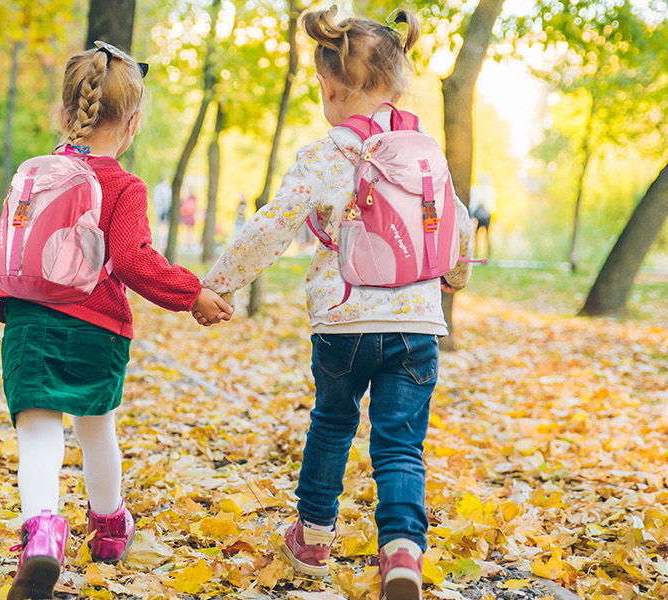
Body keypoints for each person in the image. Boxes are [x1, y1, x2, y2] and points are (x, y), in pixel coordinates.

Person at [196, 8, 473, 600]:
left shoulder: (326, 155)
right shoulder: (426, 151)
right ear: (397, 81)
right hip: (416, 323)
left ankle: (315, 538)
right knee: (400, 443)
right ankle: (401, 549)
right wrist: (457, 273)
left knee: (333, 424)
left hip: (342, 325)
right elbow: (457, 220)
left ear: (330, 88)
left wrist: (221, 284)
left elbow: (273, 224)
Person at [0, 41, 234, 600]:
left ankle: (43, 532)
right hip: (96, 327)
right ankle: (109, 526)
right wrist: (192, 294)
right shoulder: (123, 185)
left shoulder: (36, 174)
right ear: (135, 121)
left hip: (28, 323)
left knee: (39, 432)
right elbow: (132, 259)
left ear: (64, 110)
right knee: (96, 428)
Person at [470, 174, 495, 260]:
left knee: (479, 236)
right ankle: (485, 255)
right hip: (487, 215)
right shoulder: (490, 190)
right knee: (485, 236)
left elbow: (474, 203)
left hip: (482, 215)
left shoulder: (478, 190)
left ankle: (478, 255)